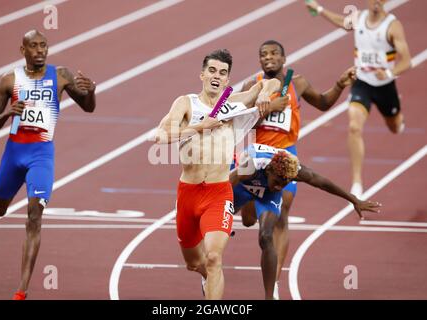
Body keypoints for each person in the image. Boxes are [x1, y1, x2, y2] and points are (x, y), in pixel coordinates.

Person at [154, 49, 280, 300]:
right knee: (194, 263)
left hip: (218, 193)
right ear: (202, 74)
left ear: (227, 80)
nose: (216, 76)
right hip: (188, 193)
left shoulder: (233, 104)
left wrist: (264, 92)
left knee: (214, 258)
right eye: (212, 71)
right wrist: (201, 126)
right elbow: (161, 136)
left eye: (222, 73)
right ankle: (206, 278)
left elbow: (271, 81)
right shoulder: (186, 103)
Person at [238, 39, 357, 299]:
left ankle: (275, 280)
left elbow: (324, 103)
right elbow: (238, 123)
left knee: (279, 219)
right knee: (247, 220)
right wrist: (265, 109)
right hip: (257, 158)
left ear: (283, 58)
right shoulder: (252, 85)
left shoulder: (297, 82)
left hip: (286, 157)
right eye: (263, 54)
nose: (268, 57)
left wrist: (339, 84)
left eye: (273, 53)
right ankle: (247, 205)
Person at [0, 30, 96, 300]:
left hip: (41, 155)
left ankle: (22, 290)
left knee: (34, 216)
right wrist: (6, 113)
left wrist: (91, 92)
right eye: (33, 46)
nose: (40, 51)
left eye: (43, 46)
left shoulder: (60, 76)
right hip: (13, 154)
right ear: (22, 49)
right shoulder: (9, 80)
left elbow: (88, 107)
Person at [230, 143, 381, 299]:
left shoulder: (291, 171)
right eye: (278, 181)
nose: (279, 186)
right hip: (242, 184)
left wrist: (354, 200)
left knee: (266, 237)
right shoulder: (251, 165)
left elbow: (321, 181)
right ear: (269, 170)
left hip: (267, 194)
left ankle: (269, 297)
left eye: (284, 183)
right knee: (242, 221)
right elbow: (224, 185)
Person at [305, 0, 412, 198]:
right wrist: (318, 9)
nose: (376, 2)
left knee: (395, 127)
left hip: (385, 86)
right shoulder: (359, 18)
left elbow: (406, 61)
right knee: (354, 127)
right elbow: (341, 21)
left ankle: (398, 117)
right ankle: (357, 182)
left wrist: (389, 73)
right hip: (361, 83)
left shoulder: (392, 26)